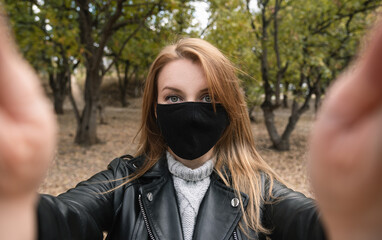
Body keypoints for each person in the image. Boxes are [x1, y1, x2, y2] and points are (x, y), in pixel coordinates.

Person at [0, 10, 381, 240]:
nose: (192, 112)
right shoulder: (124, 181)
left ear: (229, 107)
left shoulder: (259, 189)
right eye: (174, 98)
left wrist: (357, 214)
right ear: (154, 108)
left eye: (208, 97)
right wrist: (12, 204)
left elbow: (315, 227)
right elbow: (64, 219)